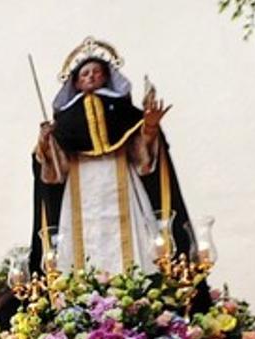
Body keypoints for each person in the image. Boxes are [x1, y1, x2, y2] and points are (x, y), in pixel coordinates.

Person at [32, 37, 191, 275]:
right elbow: (54, 172)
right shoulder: (64, 122)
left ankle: (139, 294)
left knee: (136, 241)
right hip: (79, 186)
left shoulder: (125, 113)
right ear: (75, 82)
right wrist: (45, 144)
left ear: (107, 76)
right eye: (85, 73)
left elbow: (144, 161)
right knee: (78, 244)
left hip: (122, 183)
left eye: (97, 71)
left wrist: (149, 128)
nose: (91, 76)